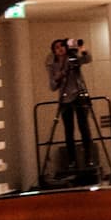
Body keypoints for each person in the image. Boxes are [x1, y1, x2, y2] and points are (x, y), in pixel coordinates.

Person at [47, 38, 96, 171]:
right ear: (54, 51)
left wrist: (82, 49)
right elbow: (52, 86)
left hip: (79, 96)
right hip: (65, 99)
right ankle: (72, 161)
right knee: (69, 131)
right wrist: (60, 75)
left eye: (62, 46)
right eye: (57, 47)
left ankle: (89, 158)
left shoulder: (73, 59)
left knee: (84, 128)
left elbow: (88, 59)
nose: (60, 49)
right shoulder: (52, 65)